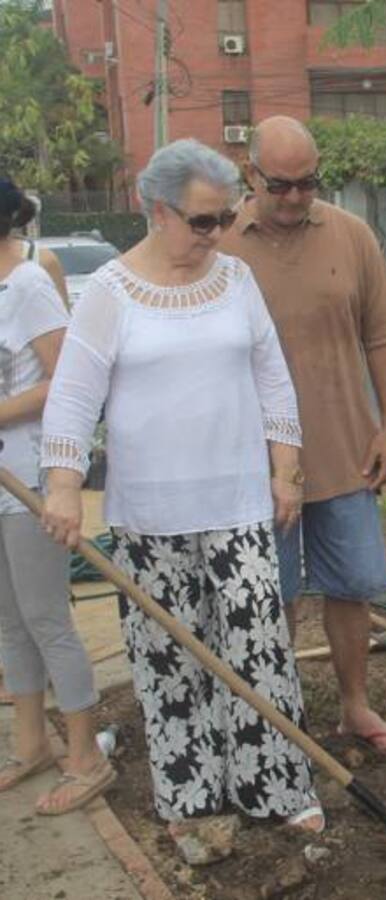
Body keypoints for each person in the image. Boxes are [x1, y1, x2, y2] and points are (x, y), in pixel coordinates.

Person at [39, 139, 322, 838]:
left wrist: (286, 471)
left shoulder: (235, 280)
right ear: (158, 212)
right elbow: (73, 399)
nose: (217, 234)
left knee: (257, 650)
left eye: (224, 218)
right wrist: (65, 487)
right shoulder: (109, 291)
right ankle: (193, 796)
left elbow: (272, 377)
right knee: (170, 660)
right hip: (151, 517)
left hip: (238, 508)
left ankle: (275, 787)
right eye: (202, 221)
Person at [219, 117, 386, 758]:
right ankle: (279, 711)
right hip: (253, 465)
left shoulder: (350, 235)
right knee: (272, 592)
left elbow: (382, 335)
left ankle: (356, 706)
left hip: (344, 450)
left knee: (352, 583)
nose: (298, 197)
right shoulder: (220, 246)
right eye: (282, 185)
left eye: (309, 183)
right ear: (251, 175)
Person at [0, 175, 114, 815]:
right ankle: (31, 744)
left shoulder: (28, 286)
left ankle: (85, 755)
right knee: (9, 622)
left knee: (46, 618)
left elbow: (66, 380)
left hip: (31, 479)